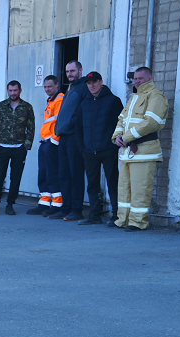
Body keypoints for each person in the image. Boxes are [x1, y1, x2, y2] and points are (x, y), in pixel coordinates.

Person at [112, 66, 169, 231]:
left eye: (140, 78)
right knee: (124, 189)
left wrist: (126, 137)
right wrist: (116, 138)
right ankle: (123, 219)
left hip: (145, 151)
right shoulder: (134, 98)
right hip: (128, 151)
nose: (137, 81)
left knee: (140, 189)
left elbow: (151, 123)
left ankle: (138, 222)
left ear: (149, 78)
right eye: (135, 78)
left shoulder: (156, 96)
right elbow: (121, 120)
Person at [75, 71, 123, 225]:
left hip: (108, 150)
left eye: (94, 82)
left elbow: (120, 125)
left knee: (113, 183)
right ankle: (94, 215)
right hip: (89, 152)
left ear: (101, 82)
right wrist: (82, 148)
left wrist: (113, 147)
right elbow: (79, 128)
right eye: (89, 83)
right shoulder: (84, 104)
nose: (92, 86)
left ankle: (116, 216)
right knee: (92, 184)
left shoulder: (113, 101)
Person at [0, 80, 35, 216]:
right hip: (2, 147)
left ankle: (10, 204)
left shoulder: (27, 107)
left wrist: (26, 146)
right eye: (10, 90)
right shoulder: (0, 107)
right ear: (7, 91)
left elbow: (31, 128)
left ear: (20, 91)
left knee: (16, 177)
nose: (13, 93)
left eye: (15, 90)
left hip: (19, 148)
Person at [51, 60, 89, 221]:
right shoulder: (70, 88)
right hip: (64, 137)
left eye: (72, 71)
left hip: (74, 137)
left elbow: (83, 112)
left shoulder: (84, 87)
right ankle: (65, 208)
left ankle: (76, 209)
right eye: (67, 72)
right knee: (64, 174)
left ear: (80, 71)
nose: (70, 74)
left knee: (75, 174)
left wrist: (71, 124)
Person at [26, 75, 64, 215]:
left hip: (52, 143)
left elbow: (61, 122)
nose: (47, 89)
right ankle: (44, 203)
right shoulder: (51, 101)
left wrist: (54, 140)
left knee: (52, 173)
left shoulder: (60, 99)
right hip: (45, 142)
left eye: (50, 86)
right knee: (43, 173)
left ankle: (56, 205)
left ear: (57, 85)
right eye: (45, 87)